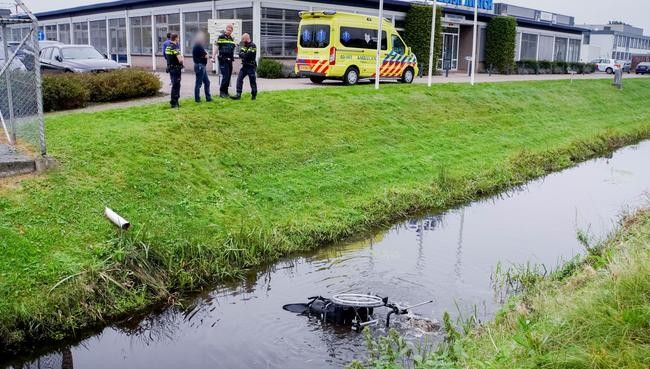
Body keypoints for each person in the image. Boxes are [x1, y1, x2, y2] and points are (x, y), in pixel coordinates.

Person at [212, 24, 236, 98]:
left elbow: (233, 49)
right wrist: (213, 57)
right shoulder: (221, 37)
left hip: (230, 60)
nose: (229, 31)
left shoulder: (232, 39)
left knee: (228, 77)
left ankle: (226, 92)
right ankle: (222, 92)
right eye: (228, 29)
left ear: (232, 31)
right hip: (223, 59)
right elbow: (216, 47)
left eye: (231, 30)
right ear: (226, 29)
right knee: (225, 76)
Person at [232, 33, 257, 101]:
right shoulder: (245, 46)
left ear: (246, 38)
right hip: (244, 66)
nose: (242, 41)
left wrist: (244, 54)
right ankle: (238, 94)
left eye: (243, 39)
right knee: (239, 79)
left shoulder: (253, 46)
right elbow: (240, 54)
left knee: (252, 81)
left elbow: (247, 56)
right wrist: (244, 54)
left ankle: (254, 95)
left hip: (251, 66)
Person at [192, 31, 212, 102]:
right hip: (200, 66)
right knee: (198, 83)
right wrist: (207, 54)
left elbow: (206, 55)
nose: (204, 40)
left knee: (207, 82)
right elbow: (206, 56)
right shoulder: (198, 46)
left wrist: (206, 54)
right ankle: (197, 99)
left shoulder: (198, 46)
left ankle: (208, 98)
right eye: (203, 39)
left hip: (202, 66)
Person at [165, 33, 183, 108]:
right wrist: (182, 59)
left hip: (171, 68)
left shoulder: (168, 47)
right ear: (176, 38)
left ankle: (175, 102)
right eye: (178, 38)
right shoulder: (174, 47)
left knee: (174, 84)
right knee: (176, 85)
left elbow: (167, 57)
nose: (179, 39)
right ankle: (174, 102)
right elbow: (180, 60)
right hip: (176, 69)